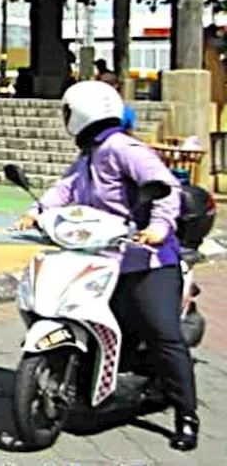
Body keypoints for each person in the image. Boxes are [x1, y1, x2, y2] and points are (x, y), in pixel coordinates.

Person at [14, 81, 198, 451]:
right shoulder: (88, 155)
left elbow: (165, 186)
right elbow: (63, 189)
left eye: (67, 112)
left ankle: (187, 415)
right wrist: (36, 212)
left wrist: (158, 228)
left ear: (82, 112)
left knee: (163, 333)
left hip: (145, 260)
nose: (65, 119)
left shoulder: (123, 148)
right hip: (100, 256)